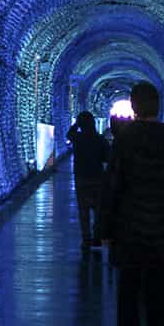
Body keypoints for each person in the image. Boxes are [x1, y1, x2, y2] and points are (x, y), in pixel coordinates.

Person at [95, 82, 164, 326]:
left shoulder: (125, 140)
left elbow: (112, 186)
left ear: (135, 107)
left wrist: (104, 228)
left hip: (129, 228)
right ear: (158, 106)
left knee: (128, 286)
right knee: (156, 289)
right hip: (162, 226)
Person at [65, 107, 108, 253]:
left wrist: (76, 124)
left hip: (81, 178)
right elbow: (107, 157)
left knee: (83, 209)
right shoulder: (100, 139)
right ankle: (97, 237)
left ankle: (86, 238)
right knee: (98, 209)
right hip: (97, 178)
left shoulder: (78, 138)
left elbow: (69, 134)